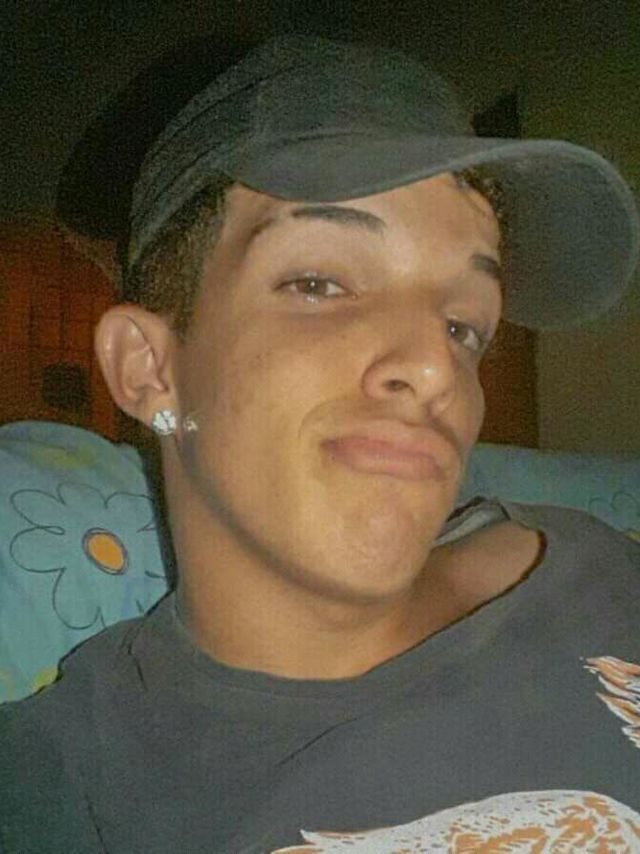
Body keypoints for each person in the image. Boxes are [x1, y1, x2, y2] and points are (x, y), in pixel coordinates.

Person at [2, 35, 640, 853]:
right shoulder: (61, 788)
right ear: (150, 368)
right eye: (320, 284)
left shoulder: (596, 564)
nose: (435, 366)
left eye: (464, 325)